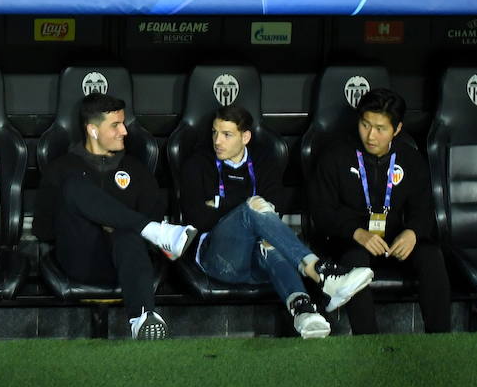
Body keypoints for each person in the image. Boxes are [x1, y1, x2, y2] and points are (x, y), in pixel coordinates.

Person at [179, 105, 374, 338]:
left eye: (226, 134)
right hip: (220, 258)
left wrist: (219, 204)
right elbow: (197, 218)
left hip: (259, 259)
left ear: (246, 136)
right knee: (255, 207)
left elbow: (276, 208)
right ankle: (320, 273)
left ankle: (303, 310)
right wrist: (244, 211)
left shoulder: (264, 161)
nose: (217, 141)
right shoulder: (197, 163)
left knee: (269, 242)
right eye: (214, 132)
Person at [34, 92, 196, 340]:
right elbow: (44, 229)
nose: (125, 131)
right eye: (115, 125)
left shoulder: (136, 169)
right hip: (80, 259)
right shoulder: (61, 168)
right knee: (74, 187)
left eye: (123, 123)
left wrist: (118, 225)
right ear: (93, 130)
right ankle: (157, 230)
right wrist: (92, 220)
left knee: (127, 234)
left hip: (127, 261)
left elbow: (152, 214)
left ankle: (142, 318)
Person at [308, 87, 451, 335]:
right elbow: (321, 212)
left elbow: (424, 207)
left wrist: (413, 232)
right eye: (365, 125)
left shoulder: (410, 158)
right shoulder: (335, 155)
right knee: (354, 263)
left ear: (396, 129)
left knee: (431, 256)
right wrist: (357, 233)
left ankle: (440, 339)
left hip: (394, 239)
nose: (370, 135)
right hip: (350, 241)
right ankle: (369, 342)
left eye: (380, 129)